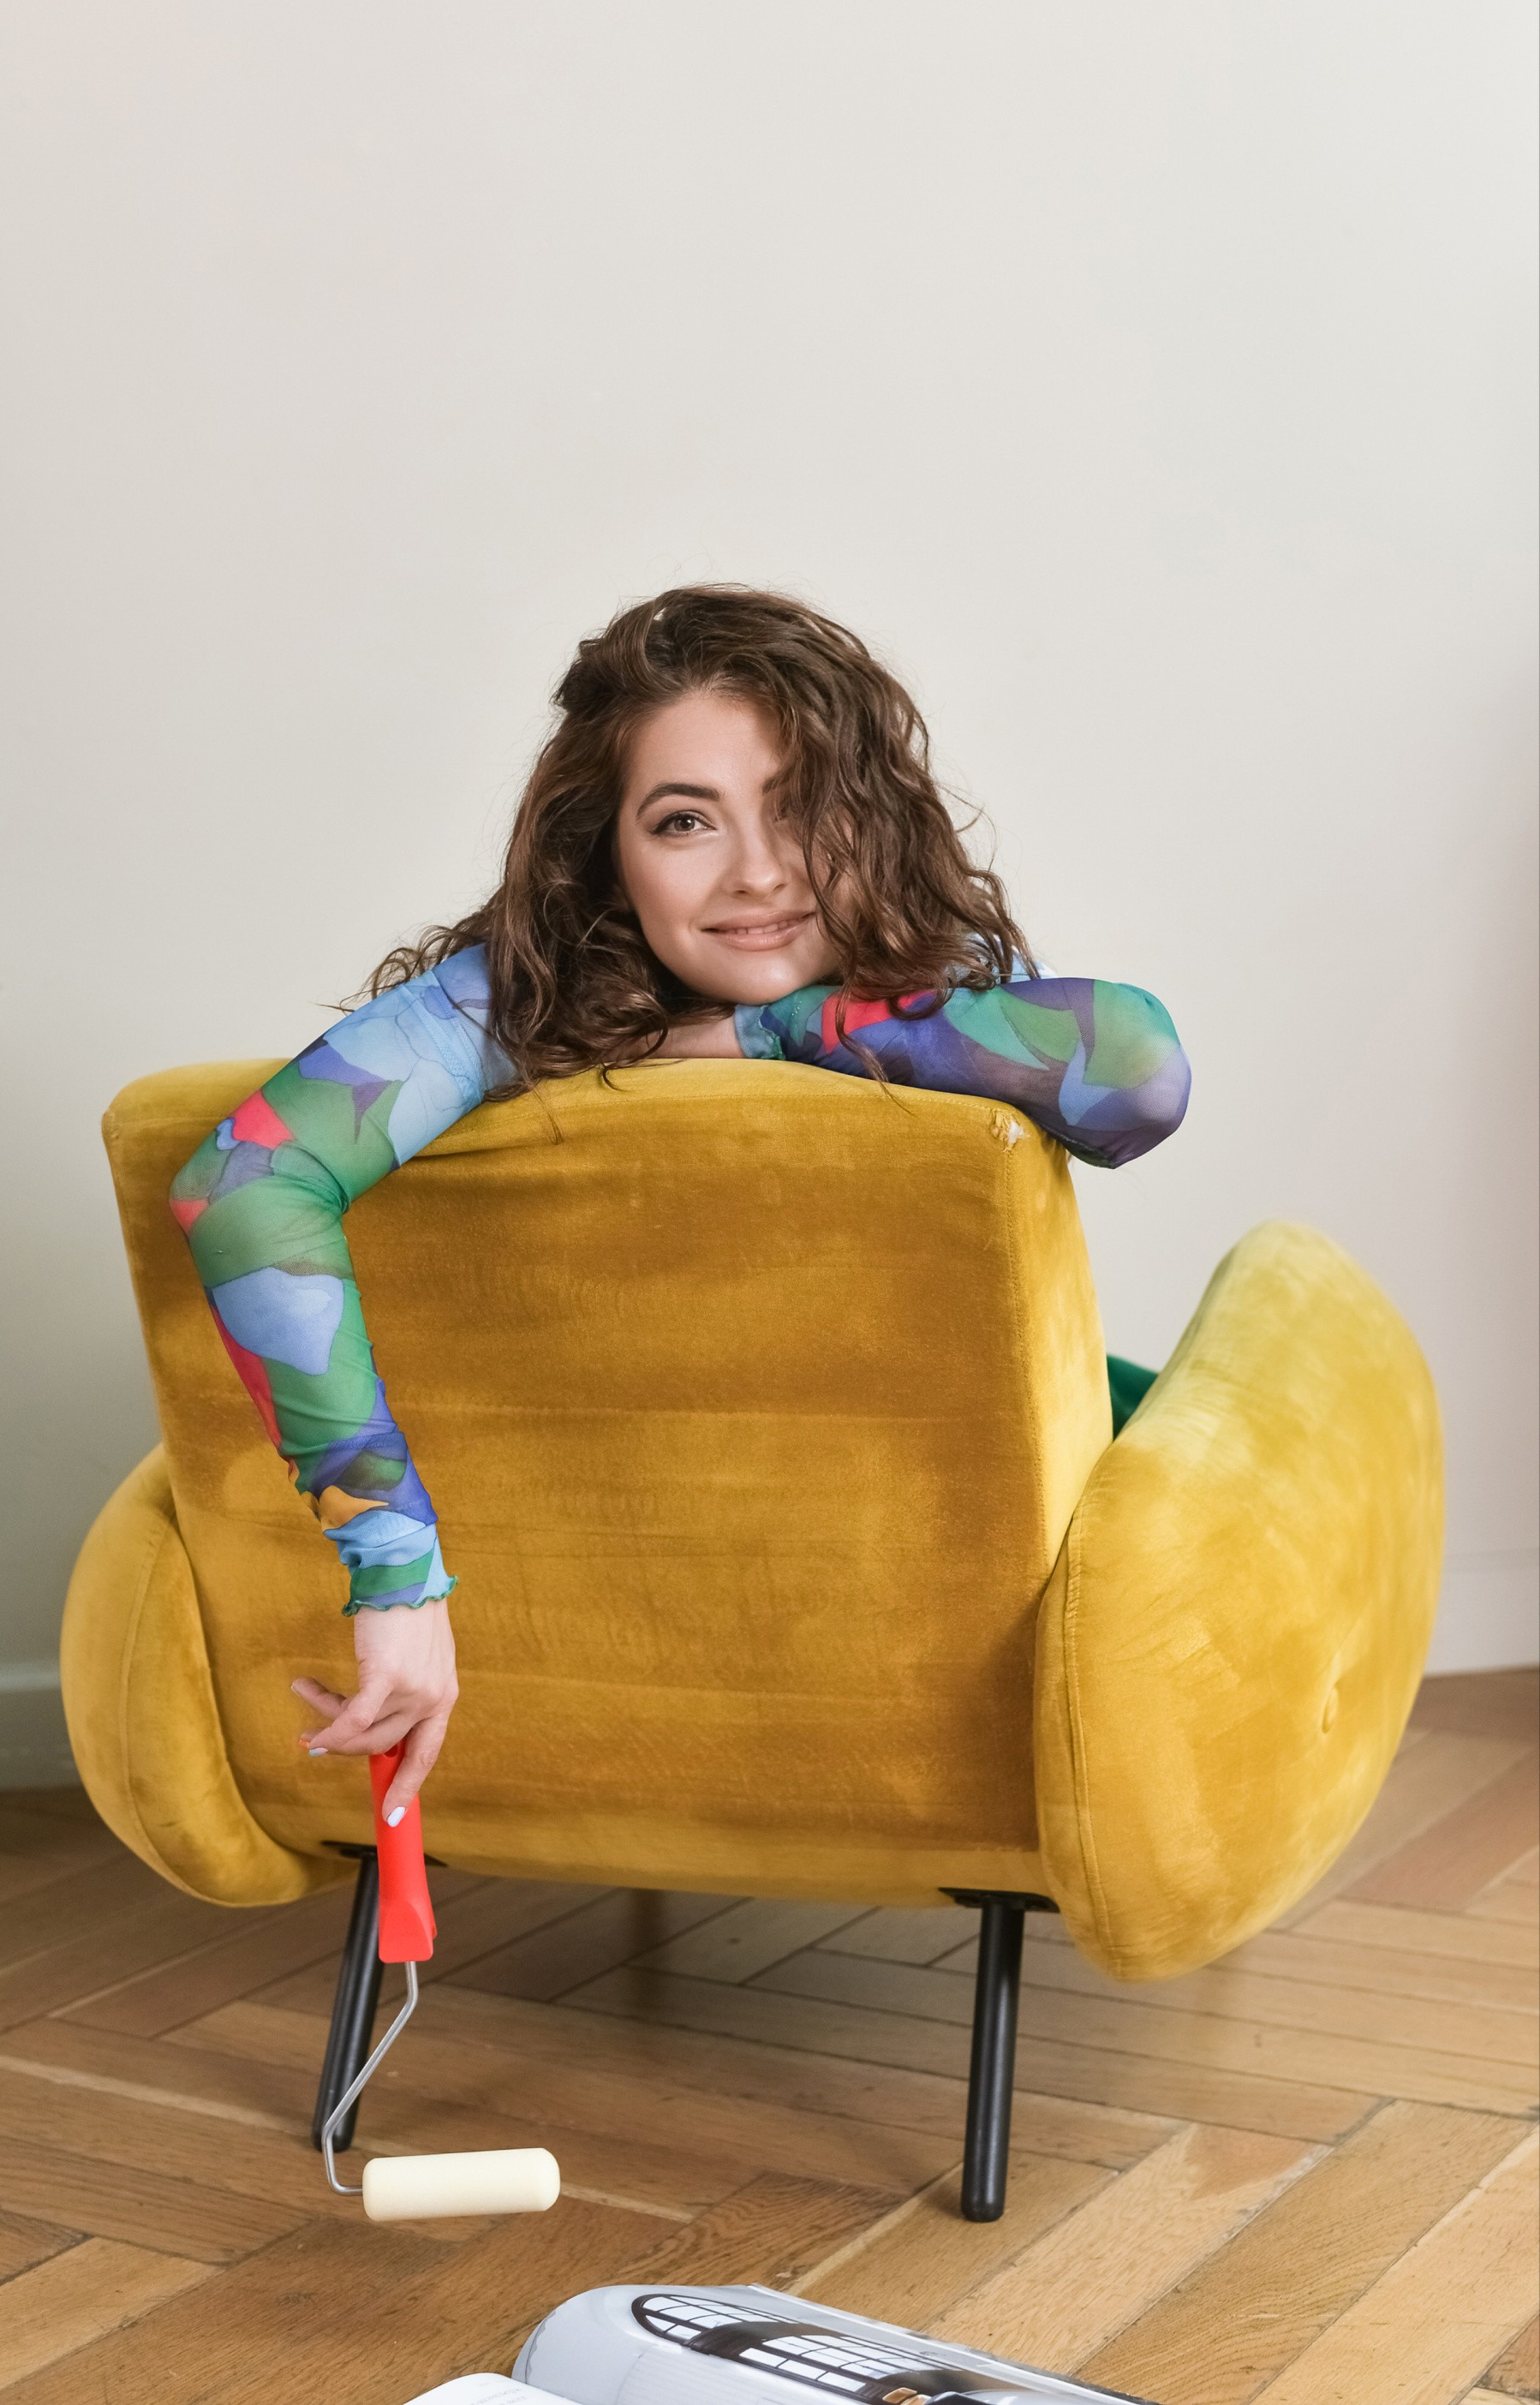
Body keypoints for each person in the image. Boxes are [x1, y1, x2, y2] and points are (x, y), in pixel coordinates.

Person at [170, 587, 1189, 1829]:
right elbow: (239, 1188)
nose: (759, 871)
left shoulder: (902, 985)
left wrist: (759, 1028)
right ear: (606, 851)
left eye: (802, 804)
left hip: (1038, 1488)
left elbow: (1140, 1076)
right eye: (686, 820)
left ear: (871, 816)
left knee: (1171, 1406)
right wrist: (395, 1574)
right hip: (842, 1559)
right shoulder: (517, 998)